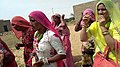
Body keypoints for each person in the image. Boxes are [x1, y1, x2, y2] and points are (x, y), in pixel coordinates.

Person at [80, 0, 120, 65]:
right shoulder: (95, 25)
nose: (100, 12)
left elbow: (113, 46)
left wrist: (102, 27)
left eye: (103, 9)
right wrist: (84, 25)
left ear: (110, 9)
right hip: (100, 60)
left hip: (115, 60)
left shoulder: (117, 24)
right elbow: (83, 39)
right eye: (98, 10)